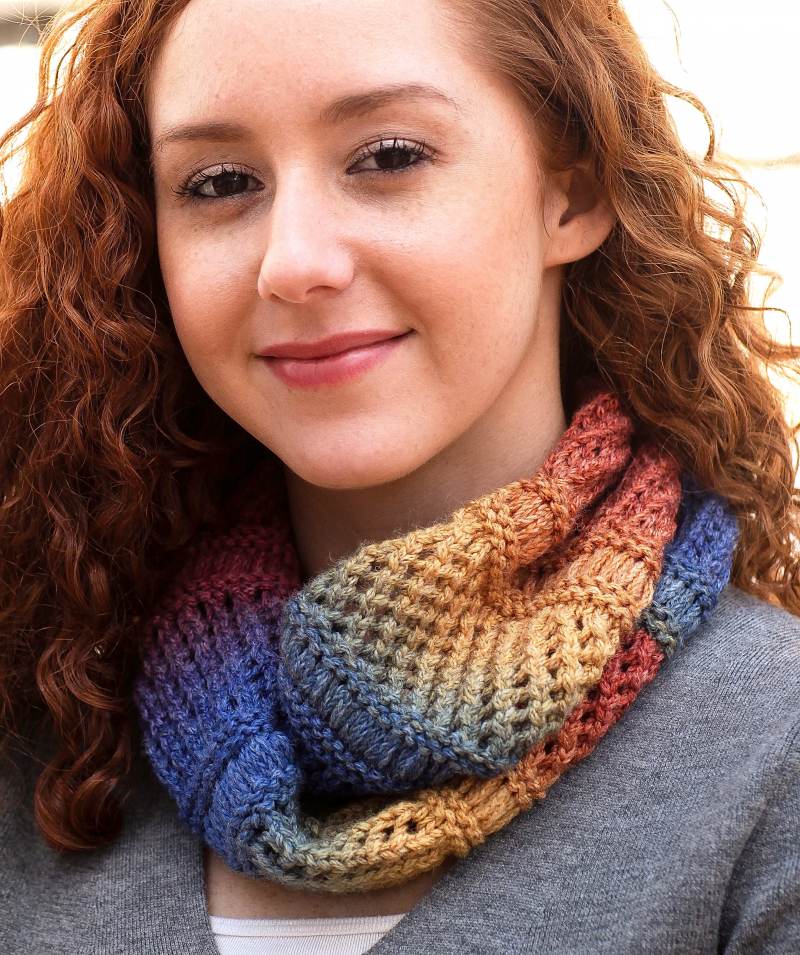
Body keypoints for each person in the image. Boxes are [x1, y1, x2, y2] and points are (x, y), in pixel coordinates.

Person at [0, 0, 798, 952]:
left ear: (573, 195)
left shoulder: (771, 748)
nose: (294, 262)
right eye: (220, 182)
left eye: (387, 157)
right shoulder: (49, 713)